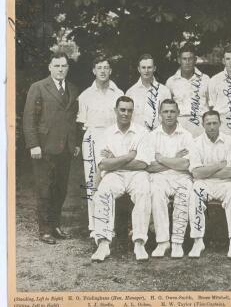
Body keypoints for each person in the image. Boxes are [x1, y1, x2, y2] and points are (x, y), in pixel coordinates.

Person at [23, 52, 80, 244]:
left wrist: (75, 143)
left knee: (60, 189)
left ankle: (55, 225)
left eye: (63, 66)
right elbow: (29, 119)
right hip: (44, 147)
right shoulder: (38, 87)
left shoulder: (72, 88)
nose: (60, 69)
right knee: (44, 189)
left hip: (65, 148)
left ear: (68, 68)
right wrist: (33, 144)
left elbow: (73, 121)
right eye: (56, 66)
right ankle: (45, 230)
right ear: (50, 67)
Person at [91, 96, 151, 262]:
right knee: (103, 192)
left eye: (129, 110)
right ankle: (103, 243)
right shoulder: (106, 133)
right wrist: (129, 156)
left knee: (143, 191)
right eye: (122, 109)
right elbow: (103, 165)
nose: (126, 113)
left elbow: (143, 164)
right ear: (116, 110)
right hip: (114, 175)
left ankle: (139, 242)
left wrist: (115, 160)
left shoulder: (142, 132)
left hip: (136, 174)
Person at [77, 56, 124, 237]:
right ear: (93, 71)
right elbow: (82, 124)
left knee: (110, 179)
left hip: (112, 137)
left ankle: (109, 226)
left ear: (110, 71)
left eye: (106, 67)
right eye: (99, 67)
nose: (103, 71)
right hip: (92, 137)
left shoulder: (118, 93)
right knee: (92, 182)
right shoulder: (85, 95)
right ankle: (94, 226)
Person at [188, 110, 231, 259]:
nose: (212, 126)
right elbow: (196, 173)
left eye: (214, 123)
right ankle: (198, 241)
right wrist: (219, 165)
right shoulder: (196, 143)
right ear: (203, 124)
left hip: (226, 183)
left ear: (220, 123)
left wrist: (207, 170)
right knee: (195, 194)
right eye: (208, 123)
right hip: (203, 183)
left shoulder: (230, 141)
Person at [146, 99, 193, 259]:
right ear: (160, 114)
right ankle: (163, 241)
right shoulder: (152, 136)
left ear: (178, 113)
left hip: (182, 177)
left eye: (172, 111)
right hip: (159, 177)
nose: (169, 115)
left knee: (185, 191)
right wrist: (174, 160)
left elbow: (186, 164)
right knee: (156, 191)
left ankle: (178, 243)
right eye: (165, 111)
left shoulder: (186, 135)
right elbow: (149, 166)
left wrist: (161, 158)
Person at [166, 43, 210, 137]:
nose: (187, 62)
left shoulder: (206, 79)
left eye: (190, 59)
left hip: (200, 126)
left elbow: (211, 105)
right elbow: (167, 108)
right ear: (179, 60)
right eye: (184, 59)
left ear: (195, 60)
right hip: (179, 126)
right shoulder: (171, 81)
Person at [126, 54, 171, 131]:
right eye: (143, 67)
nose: (146, 71)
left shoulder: (164, 91)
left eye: (149, 67)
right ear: (139, 69)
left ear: (154, 68)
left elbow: (169, 116)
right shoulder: (131, 92)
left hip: (158, 136)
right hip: (137, 136)